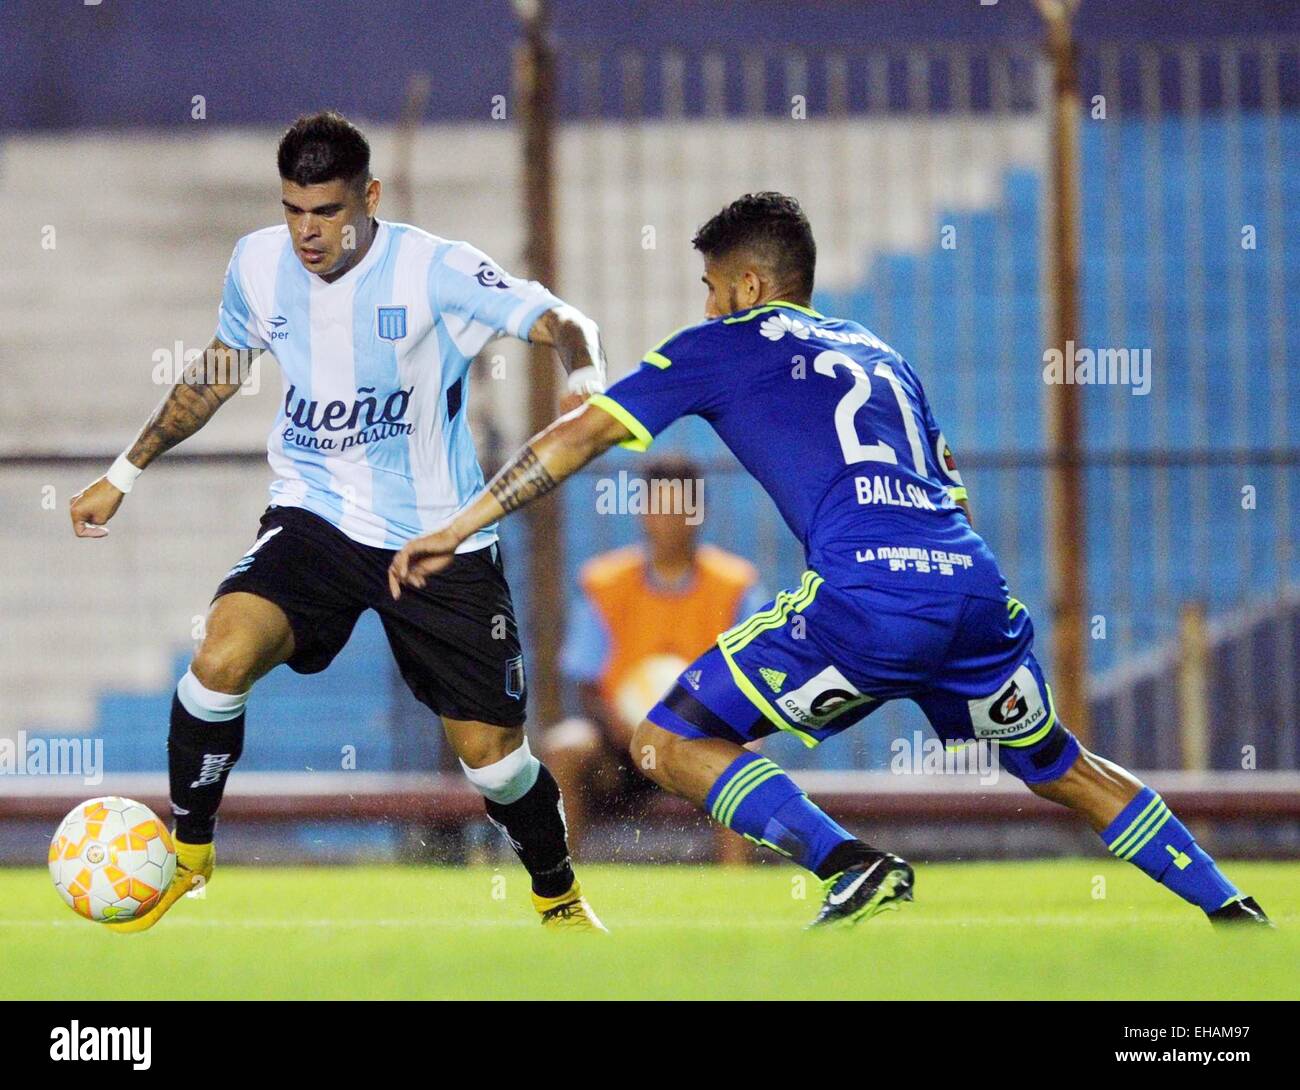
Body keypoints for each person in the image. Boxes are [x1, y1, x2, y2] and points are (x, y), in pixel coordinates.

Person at [389, 191, 1271, 929]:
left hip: (863, 600)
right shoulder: (887, 357)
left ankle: (848, 862)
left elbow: (581, 437)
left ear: (749, 283)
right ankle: (1229, 908)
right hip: (970, 591)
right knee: (1058, 766)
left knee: (666, 739)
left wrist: (459, 524)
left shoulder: (719, 346)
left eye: (710, 287)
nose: (704, 307)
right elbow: (947, 487)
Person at [68, 111, 608, 932]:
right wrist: (125, 471)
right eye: (293, 209)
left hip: (435, 539)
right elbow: (219, 369)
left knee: (493, 760)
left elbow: (565, 323)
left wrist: (586, 377)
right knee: (220, 655)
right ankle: (190, 854)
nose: (306, 231)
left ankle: (557, 892)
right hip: (315, 517)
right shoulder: (256, 263)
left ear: (369, 198)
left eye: (326, 212)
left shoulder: (436, 271)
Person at [545, 453, 766, 859]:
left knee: (746, 757)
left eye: (681, 506)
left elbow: (757, 677)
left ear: (699, 513)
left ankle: (736, 887)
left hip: (703, 742)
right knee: (564, 747)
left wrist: (700, 728)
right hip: (620, 746)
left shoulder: (734, 585)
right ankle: (562, 884)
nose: (670, 519)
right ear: (644, 511)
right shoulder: (605, 582)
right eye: (659, 505)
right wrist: (628, 728)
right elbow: (587, 683)